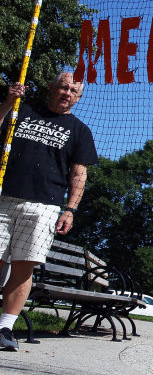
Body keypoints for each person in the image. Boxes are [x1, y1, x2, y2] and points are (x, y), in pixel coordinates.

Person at [0, 73, 98, 351]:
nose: (67, 93)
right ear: (52, 88)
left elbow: (79, 173)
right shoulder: (22, 109)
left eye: (73, 91)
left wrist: (70, 209)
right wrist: (9, 100)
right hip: (4, 197)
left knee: (24, 266)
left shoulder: (79, 131)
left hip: (44, 206)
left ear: (78, 99)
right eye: (63, 87)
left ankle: (5, 327)